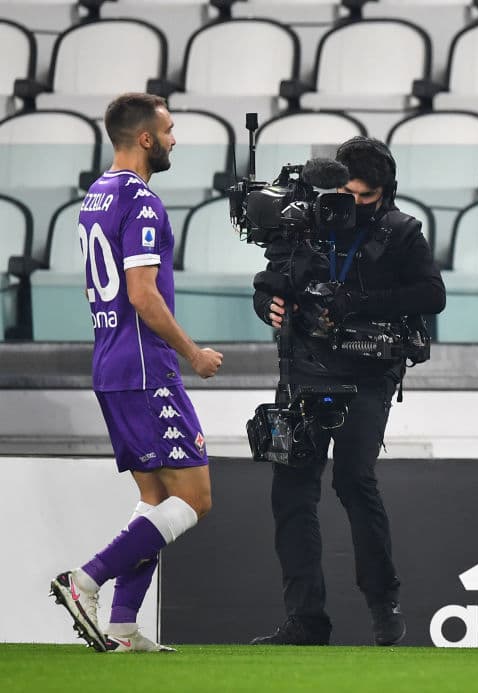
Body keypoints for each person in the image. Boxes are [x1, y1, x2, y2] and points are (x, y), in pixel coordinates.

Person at [250, 136, 445, 647]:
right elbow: (271, 281)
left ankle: (384, 604)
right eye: (347, 194)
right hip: (302, 368)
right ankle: (305, 619)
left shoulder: (403, 232)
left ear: (385, 191)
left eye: (366, 197)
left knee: (354, 482)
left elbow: (432, 294)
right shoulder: (303, 223)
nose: (354, 205)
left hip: (366, 374)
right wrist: (267, 302)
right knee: (290, 491)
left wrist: (356, 301)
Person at [50, 92, 223, 653]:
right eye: (169, 130)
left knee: (154, 499)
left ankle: (123, 625)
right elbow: (143, 295)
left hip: (110, 362)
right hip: (148, 368)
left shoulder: (95, 196)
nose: (175, 139)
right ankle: (87, 580)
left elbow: (91, 286)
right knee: (194, 499)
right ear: (145, 138)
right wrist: (193, 353)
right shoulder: (143, 202)